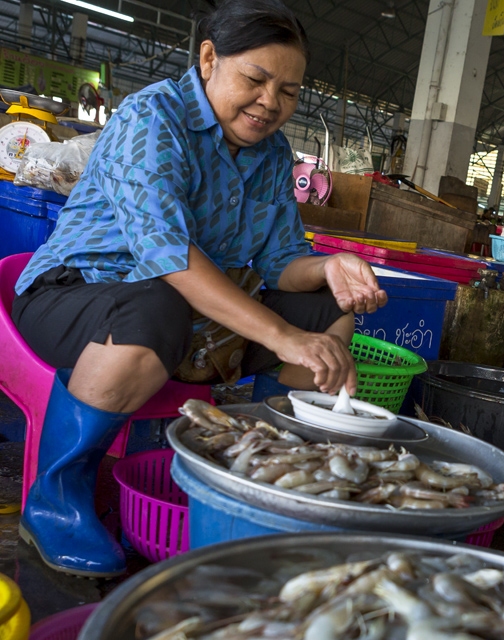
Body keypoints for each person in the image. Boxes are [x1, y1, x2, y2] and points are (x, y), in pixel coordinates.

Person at [11, 0, 386, 578]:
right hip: (77, 293)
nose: (270, 104)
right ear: (209, 58)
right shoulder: (151, 118)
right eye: (255, 80)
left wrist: (330, 267)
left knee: (320, 307)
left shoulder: (271, 154)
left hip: (188, 312)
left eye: (288, 91)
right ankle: (56, 500)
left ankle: (268, 471)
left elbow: (282, 259)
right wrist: (281, 337)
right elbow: (167, 257)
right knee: (153, 310)